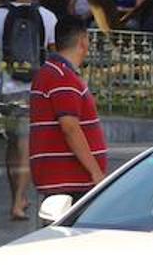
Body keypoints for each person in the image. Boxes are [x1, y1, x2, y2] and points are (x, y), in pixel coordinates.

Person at [0, 0, 59, 221]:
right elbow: (54, 55)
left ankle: (17, 196)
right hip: (34, 89)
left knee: (14, 144)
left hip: (7, 90)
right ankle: (18, 200)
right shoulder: (47, 17)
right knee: (25, 144)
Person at [28, 17, 107, 208]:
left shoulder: (55, 73)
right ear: (83, 41)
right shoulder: (62, 76)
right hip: (70, 180)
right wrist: (95, 172)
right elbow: (70, 127)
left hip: (67, 180)